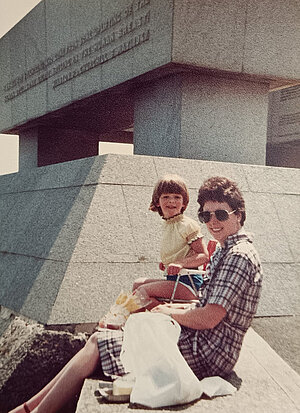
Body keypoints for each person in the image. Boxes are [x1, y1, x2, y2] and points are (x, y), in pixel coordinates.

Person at [10, 176, 262, 413]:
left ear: (238, 215)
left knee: (99, 342)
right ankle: (29, 408)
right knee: (111, 334)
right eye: (206, 215)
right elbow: (206, 307)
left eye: (220, 214)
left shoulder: (238, 257)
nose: (212, 222)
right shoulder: (226, 248)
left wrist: (166, 312)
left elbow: (209, 318)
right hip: (205, 340)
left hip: (209, 351)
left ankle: (32, 410)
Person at [132, 174, 209, 308]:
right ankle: (165, 313)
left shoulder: (188, 225)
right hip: (174, 280)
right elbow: (179, 250)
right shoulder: (168, 224)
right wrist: (167, 263)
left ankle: (166, 313)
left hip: (189, 283)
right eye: (166, 197)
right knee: (137, 284)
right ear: (157, 202)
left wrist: (179, 263)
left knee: (142, 292)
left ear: (184, 202)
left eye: (177, 197)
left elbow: (203, 256)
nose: (171, 201)